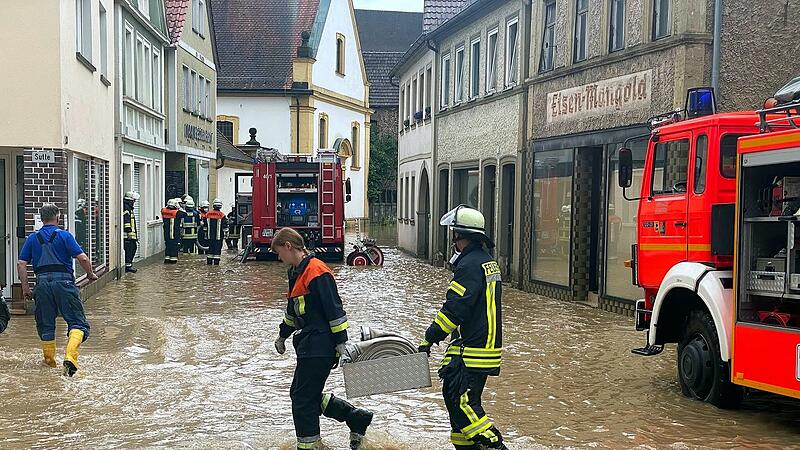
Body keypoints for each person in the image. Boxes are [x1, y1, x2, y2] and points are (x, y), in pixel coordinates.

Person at [272, 228, 373, 450]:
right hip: (309, 344)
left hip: (320, 345)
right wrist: (282, 335)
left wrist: (341, 343)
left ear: (288, 246)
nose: (279, 258)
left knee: (302, 399)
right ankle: (355, 417)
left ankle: (311, 446)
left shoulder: (316, 270)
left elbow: (334, 308)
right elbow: (293, 312)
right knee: (302, 394)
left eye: (279, 252)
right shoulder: (296, 272)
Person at [418, 205, 507, 450]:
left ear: (460, 235)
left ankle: (495, 445)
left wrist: (430, 336)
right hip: (479, 345)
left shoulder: (469, 265)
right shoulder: (485, 261)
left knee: (461, 403)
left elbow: (455, 308)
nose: (453, 241)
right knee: (459, 413)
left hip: (473, 348)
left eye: (454, 235)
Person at [16, 203, 98, 377]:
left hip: (42, 285)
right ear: (58, 218)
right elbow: (83, 258)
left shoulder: (32, 238)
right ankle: (70, 357)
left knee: (46, 325)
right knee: (78, 323)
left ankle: (50, 365)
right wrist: (90, 274)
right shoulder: (64, 235)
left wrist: (26, 288)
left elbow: (21, 263)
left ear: (42, 218)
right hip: (65, 284)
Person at [203, 199, 228, 265]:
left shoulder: (207, 214)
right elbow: (225, 227)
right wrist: (226, 235)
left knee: (210, 250)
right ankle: (216, 265)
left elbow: (204, 226)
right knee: (217, 251)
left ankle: (209, 263)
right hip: (218, 237)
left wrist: (205, 235)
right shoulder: (222, 215)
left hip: (209, 236)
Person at [123, 191, 140, 273]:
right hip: (127, 235)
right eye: (134, 200)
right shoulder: (126, 207)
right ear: (130, 200)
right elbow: (126, 220)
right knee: (130, 250)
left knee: (133, 248)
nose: (134, 202)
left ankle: (129, 265)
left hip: (130, 235)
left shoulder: (128, 207)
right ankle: (128, 266)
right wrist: (129, 232)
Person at [161, 198, 182, 264]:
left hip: (166, 233)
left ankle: (167, 258)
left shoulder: (163, 211)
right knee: (174, 246)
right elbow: (185, 214)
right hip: (174, 233)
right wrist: (179, 207)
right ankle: (173, 259)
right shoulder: (177, 212)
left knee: (168, 245)